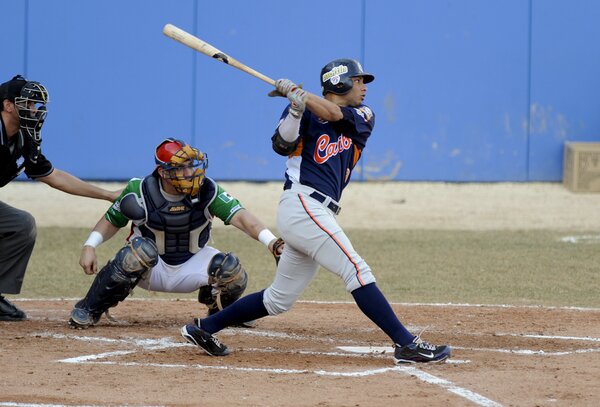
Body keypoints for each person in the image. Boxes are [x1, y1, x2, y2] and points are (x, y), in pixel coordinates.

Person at [180, 58, 452, 364]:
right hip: (302, 205)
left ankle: (204, 328)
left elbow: (333, 113)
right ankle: (406, 344)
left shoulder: (364, 114)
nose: (364, 87)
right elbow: (282, 145)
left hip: (316, 212)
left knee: (278, 299)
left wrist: (300, 94)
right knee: (356, 270)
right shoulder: (304, 109)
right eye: (358, 80)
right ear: (340, 82)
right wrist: (296, 108)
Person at [68, 138, 284, 329]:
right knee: (137, 253)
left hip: (192, 263)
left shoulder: (208, 189)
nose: (190, 172)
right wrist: (90, 245)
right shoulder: (139, 190)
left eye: (191, 165)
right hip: (150, 267)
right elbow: (111, 221)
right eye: (181, 167)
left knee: (231, 270)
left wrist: (271, 241)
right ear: (163, 172)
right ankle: (89, 309)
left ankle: (222, 314)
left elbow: (243, 218)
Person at [0, 75, 120, 321]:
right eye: (28, 104)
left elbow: (54, 176)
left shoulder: (24, 138)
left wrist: (107, 195)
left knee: (21, 225)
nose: (35, 110)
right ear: (8, 105)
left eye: (36, 105)